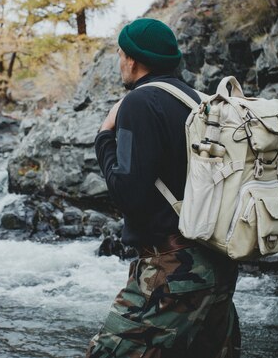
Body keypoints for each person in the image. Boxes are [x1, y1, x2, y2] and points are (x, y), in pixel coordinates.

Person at [86, 18, 241, 358]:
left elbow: (129, 196)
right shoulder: (200, 101)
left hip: (174, 270)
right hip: (218, 264)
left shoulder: (140, 103)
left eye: (120, 54)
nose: (120, 61)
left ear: (132, 60)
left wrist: (103, 137)